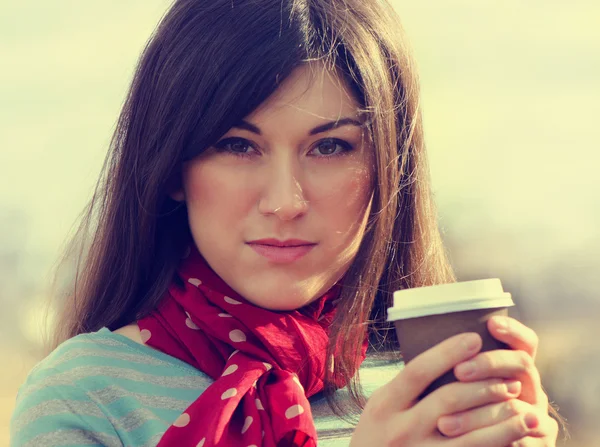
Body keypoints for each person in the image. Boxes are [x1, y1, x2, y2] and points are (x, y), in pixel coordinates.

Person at [10, 0, 565, 446]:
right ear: (172, 166)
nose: (285, 201)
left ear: (389, 168)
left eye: (329, 146)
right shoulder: (86, 396)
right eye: (236, 145)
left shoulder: (436, 385)